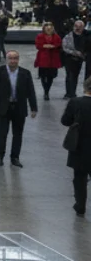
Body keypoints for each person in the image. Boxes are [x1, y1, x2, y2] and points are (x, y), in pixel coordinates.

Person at [0, 50, 38, 167]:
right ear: (6, 59)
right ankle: (0, 156)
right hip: (3, 107)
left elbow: (31, 91)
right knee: (2, 133)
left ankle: (15, 157)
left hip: (19, 108)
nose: (13, 61)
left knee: (18, 134)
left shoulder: (25, 73)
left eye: (15, 58)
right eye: (10, 58)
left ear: (18, 60)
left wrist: (33, 108)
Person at [60, 77, 91, 216]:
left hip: (79, 146)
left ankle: (80, 205)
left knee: (79, 177)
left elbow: (65, 121)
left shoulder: (75, 102)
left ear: (85, 87)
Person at [35, 21, 63, 101]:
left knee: (51, 76)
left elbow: (59, 45)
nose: (49, 30)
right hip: (43, 59)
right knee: (43, 76)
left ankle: (47, 90)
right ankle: (46, 92)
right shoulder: (40, 36)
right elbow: (38, 45)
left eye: (50, 28)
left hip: (53, 59)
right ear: (44, 29)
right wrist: (45, 46)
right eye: (47, 28)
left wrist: (51, 46)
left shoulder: (57, 36)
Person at [64, 20, 90, 99]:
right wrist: (74, 52)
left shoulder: (86, 35)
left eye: (80, 27)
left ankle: (72, 93)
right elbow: (65, 47)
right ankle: (69, 93)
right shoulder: (69, 36)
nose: (78, 28)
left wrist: (83, 54)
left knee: (75, 76)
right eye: (76, 26)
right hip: (69, 58)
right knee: (70, 75)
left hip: (79, 59)